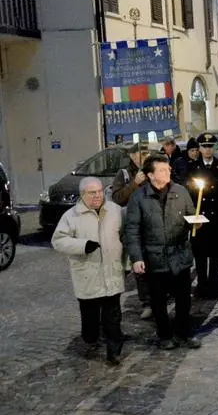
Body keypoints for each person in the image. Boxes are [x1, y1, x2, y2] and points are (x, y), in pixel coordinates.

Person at [124, 154, 201, 350]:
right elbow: (132, 230)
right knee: (158, 301)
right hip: (154, 258)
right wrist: (136, 258)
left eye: (168, 169)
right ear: (150, 175)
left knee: (184, 299)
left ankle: (183, 333)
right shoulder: (139, 198)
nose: (168, 172)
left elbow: (192, 215)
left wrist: (196, 222)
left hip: (180, 255)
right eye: (162, 170)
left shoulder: (180, 191)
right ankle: (164, 335)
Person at [51, 177, 127, 366]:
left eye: (100, 191)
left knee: (113, 315)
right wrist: (83, 245)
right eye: (92, 193)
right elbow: (58, 241)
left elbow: (127, 235)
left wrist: (128, 261)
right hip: (87, 274)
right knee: (90, 317)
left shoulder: (115, 211)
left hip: (111, 272)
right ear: (82, 194)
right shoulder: (71, 216)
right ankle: (90, 338)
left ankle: (114, 351)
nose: (98, 196)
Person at [184, 133, 218, 299]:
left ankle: (213, 282)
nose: (208, 149)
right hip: (199, 216)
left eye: (210, 146)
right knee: (199, 253)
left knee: (214, 253)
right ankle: (202, 283)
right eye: (205, 146)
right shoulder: (192, 168)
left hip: (216, 216)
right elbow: (189, 192)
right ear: (199, 148)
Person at [109, 148, 153, 320]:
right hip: (130, 226)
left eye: (146, 153)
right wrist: (135, 183)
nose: (144, 157)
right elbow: (118, 198)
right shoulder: (124, 174)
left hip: (149, 225)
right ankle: (118, 302)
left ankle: (152, 300)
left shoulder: (152, 171)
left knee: (148, 265)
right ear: (132, 156)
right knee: (130, 266)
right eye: (140, 154)